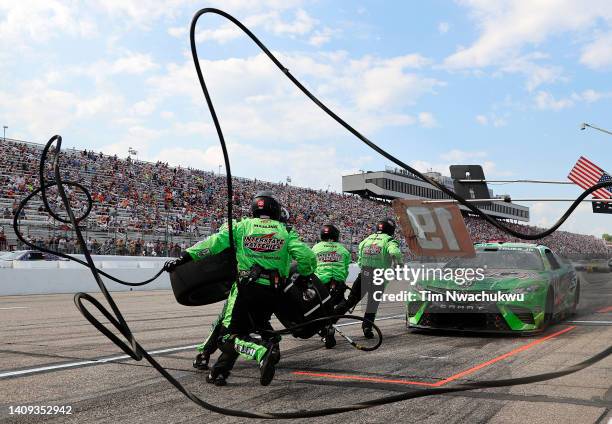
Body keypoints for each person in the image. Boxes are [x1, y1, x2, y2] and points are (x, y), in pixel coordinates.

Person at [164, 191, 316, 387]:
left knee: (227, 336)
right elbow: (308, 258)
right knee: (246, 329)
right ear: (276, 210)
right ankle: (219, 372)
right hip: (273, 292)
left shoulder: (241, 226)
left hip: (246, 289)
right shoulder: (285, 231)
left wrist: (183, 258)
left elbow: (213, 244)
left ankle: (261, 350)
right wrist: (303, 277)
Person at [191, 206, 294, 372]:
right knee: (239, 324)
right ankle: (211, 359)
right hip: (258, 288)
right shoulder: (280, 234)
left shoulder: (269, 232)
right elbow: (226, 228)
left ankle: (215, 364)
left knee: (231, 325)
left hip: (251, 288)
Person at [336, 219, 403, 339]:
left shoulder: (367, 239)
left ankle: (330, 320)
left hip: (364, 274)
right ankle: (367, 327)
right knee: (372, 304)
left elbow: (360, 258)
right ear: (390, 230)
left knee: (351, 301)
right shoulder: (389, 241)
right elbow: (395, 253)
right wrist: (399, 267)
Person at [311, 224, 351, 348]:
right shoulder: (343, 250)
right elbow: (346, 268)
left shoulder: (316, 248)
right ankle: (329, 324)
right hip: (337, 284)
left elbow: (311, 265)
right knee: (343, 304)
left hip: (320, 284)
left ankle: (324, 328)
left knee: (317, 308)